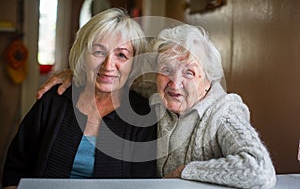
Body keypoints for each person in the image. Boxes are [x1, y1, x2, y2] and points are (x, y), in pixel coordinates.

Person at [34, 24, 277, 189]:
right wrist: (74, 74)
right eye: (166, 70)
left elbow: (259, 169)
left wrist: (186, 171)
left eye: (189, 72)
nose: (175, 83)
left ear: (208, 79)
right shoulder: (158, 96)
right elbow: (114, 77)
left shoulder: (223, 113)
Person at [2, 8, 157, 189]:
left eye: (121, 55)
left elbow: (144, 184)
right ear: (84, 56)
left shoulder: (142, 115)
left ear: (134, 63)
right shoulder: (53, 101)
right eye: (98, 52)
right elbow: (15, 169)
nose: (108, 65)